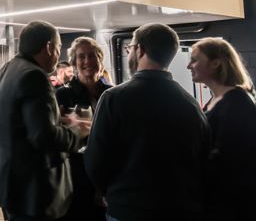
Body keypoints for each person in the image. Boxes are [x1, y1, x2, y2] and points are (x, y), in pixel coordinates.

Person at [85, 23, 210, 221]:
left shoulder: (114, 98)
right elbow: (201, 162)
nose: (129, 53)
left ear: (140, 49)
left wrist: (113, 193)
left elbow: (96, 162)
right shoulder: (191, 104)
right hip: (179, 210)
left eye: (130, 48)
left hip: (129, 208)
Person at [0, 21, 90, 221]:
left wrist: (59, 121)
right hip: (33, 193)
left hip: (11, 187)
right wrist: (78, 130)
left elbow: (19, 124)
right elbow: (42, 136)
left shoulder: (6, 70)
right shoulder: (35, 76)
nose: (58, 55)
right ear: (48, 47)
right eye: (58, 48)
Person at [186, 38, 256, 219]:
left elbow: (228, 158)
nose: (189, 66)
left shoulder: (238, 101)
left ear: (215, 63)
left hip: (231, 203)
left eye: (194, 60)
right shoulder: (215, 100)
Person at [54, 37, 112, 221]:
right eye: (81, 57)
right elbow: (55, 133)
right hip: (76, 174)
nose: (87, 61)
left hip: (107, 172)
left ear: (100, 59)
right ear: (74, 62)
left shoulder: (111, 93)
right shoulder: (64, 94)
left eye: (92, 55)